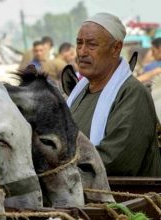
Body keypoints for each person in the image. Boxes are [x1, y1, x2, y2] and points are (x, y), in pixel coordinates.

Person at [67, 12, 161, 176]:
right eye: (79, 43)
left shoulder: (131, 93)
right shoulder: (78, 93)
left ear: (116, 48)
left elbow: (115, 161)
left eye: (91, 45)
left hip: (123, 198)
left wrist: (58, 170)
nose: (82, 52)